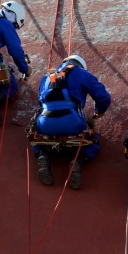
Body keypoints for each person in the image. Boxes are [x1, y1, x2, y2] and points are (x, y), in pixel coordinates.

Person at [31, 55, 111, 190]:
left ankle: (43, 155)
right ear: (80, 65)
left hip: (45, 122)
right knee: (90, 140)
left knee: (38, 139)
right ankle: (77, 161)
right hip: (72, 121)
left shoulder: (47, 76)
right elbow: (103, 97)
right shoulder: (81, 73)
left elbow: (41, 103)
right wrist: (99, 112)